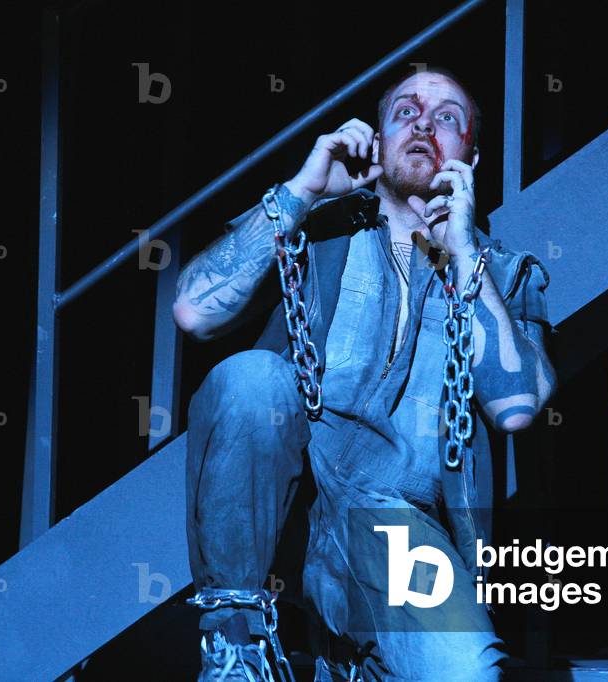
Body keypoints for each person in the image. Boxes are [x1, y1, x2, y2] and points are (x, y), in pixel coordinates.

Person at [173, 65, 555, 681]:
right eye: (405, 112)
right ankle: (235, 642)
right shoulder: (310, 229)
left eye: (448, 118)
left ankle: (355, 656)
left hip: (392, 522)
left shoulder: (501, 274)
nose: (425, 124)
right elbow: (193, 310)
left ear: (472, 158)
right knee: (251, 379)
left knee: (468, 672)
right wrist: (302, 191)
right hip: (289, 504)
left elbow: (518, 407)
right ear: (376, 141)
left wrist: (462, 256)